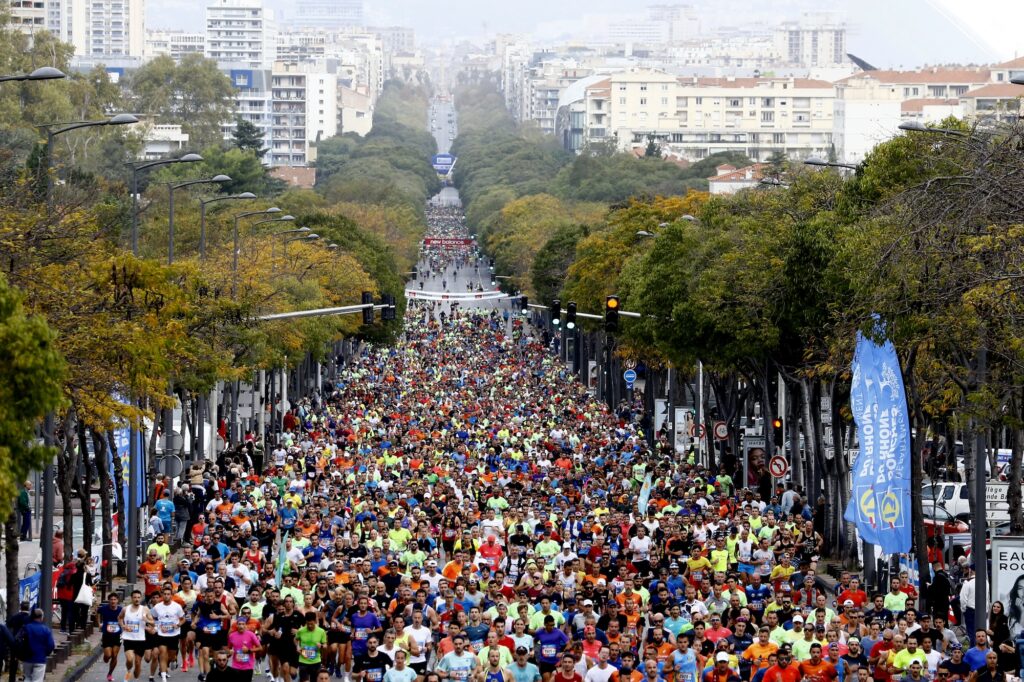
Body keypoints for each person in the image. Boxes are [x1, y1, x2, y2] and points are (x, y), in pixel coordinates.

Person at [17, 609, 55, 682]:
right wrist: (45, 653)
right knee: (37, 680)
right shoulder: (46, 630)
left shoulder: (26, 628)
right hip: (40, 659)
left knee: (27, 678)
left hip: (27, 658)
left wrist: (21, 654)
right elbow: (51, 645)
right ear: (41, 617)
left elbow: (18, 640)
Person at [96, 592, 123, 682]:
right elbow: (97, 612)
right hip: (107, 635)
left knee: (114, 656)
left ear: (117, 601)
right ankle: (105, 656)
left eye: (115, 599)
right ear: (109, 601)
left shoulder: (121, 610)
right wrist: (99, 623)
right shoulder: (104, 609)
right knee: (108, 656)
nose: (113, 601)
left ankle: (110, 674)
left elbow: (125, 618)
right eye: (111, 600)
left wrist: (123, 626)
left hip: (117, 635)